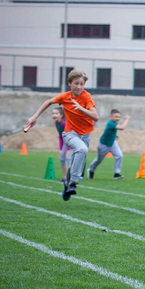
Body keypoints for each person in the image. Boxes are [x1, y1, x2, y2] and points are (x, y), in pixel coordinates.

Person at [26, 69, 98, 201]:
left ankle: (67, 184)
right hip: (70, 134)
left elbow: (96, 117)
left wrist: (81, 108)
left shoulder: (86, 97)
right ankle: (72, 183)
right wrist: (34, 116)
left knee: (76, 162)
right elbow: (48, 102)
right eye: (76, 83)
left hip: (85, 136)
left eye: (81, 84)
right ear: (69, 83)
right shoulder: (65, 97)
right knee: (82, 149)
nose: (79, 87)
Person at [88, 109, 130, 180]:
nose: (118, 118)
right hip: (104, 144)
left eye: (119, 117)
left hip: (112, 143)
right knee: (99, 160)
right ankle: (91, 170)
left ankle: (117, 174)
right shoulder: (111, 123)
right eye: (116, 117)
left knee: (119, 155)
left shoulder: (114, 124)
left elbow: (111, 131)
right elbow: (122, 128)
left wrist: (114, 136)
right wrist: (127, 119)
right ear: (111, 117)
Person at [51, 106, 70, 181]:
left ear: (61, 115)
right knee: (62, 158)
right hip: (66, 141)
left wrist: (68, 150)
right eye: (53, 113)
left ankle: (72, 177)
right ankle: (65, 176)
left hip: (71, 141)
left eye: (56, 113)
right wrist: (60, 149)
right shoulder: (56, 123)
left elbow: (68, 136)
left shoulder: (64, 123)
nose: (54, 115)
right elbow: (61, 136)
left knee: (69, 158)